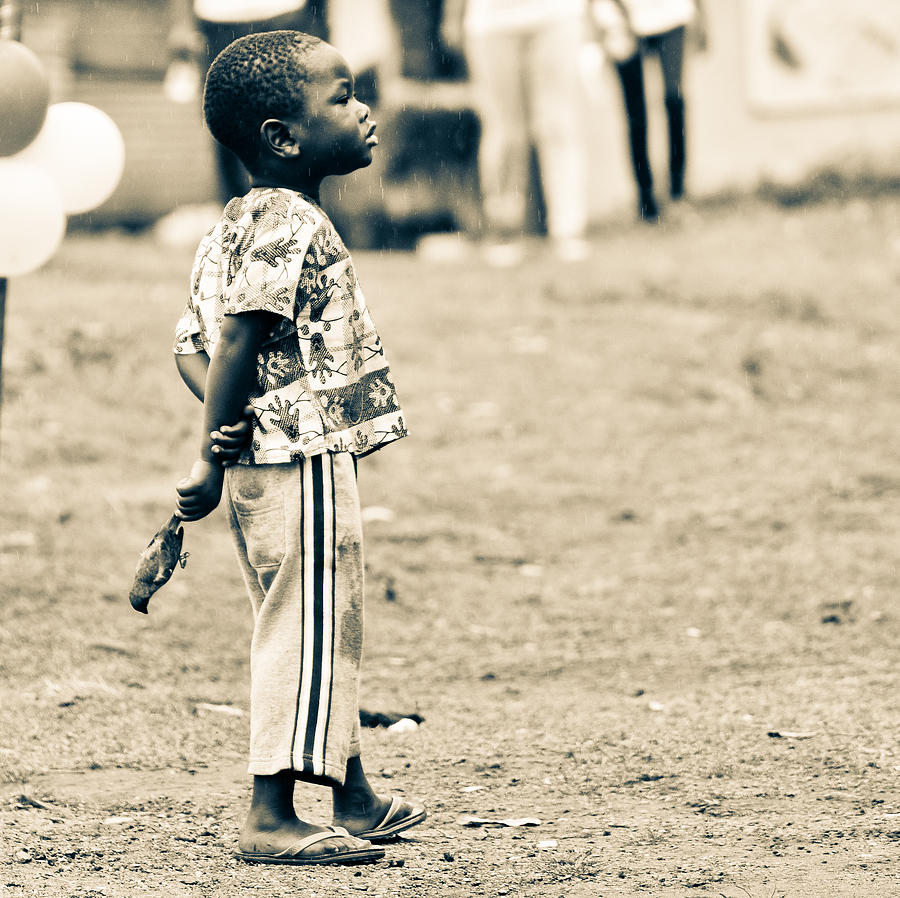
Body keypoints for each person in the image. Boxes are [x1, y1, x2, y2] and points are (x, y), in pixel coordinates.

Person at [170, 30, 424, 866]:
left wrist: (226, 426)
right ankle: (269, 813)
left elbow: (191, 347)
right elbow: (237, 343)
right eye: (344, 97)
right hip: (298, 459)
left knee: (317, 618)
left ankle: (350, 794)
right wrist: (211, 453)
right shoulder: (290, 221)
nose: (364, 111)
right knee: (308, 623)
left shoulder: (234, 224)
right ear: (284, 136)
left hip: (266, 459)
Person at [443, 0, 592, 263]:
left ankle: (568, 229)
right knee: (505, 131)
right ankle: (505, 229)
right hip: (493, 22)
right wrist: (453, 15)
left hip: (557, 15)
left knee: (558, 126)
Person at [166, 0, 328, 204]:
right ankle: (245, 227)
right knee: (229, 134)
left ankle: (307, 221)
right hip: (220, 20)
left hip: (287, 14)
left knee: (301, 132)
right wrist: (182, 23)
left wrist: (320, 20)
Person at [591, 0, 706, 222]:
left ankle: (677, 193)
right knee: (636, 113)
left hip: (672, 15)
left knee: (675, 102)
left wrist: (701, 13)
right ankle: (645, 200)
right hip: (619, 19)